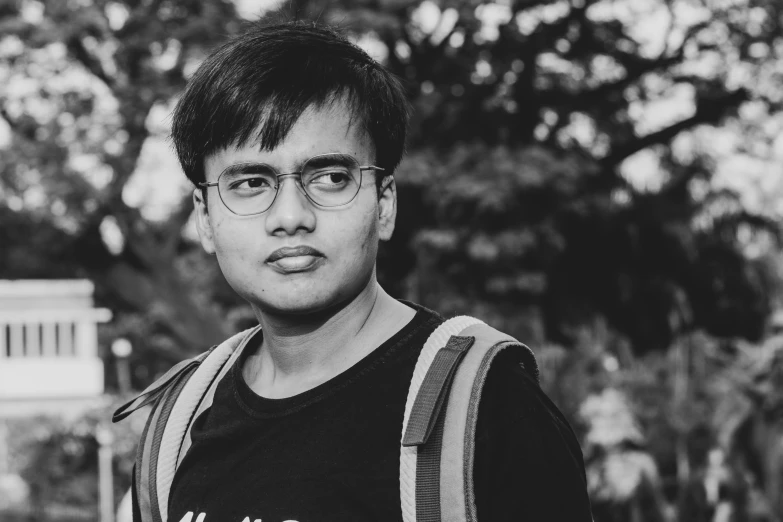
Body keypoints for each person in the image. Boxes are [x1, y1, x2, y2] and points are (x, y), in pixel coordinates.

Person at [126, 21, 593, 522]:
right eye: (250, 183)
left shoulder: (486, 408)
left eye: (329, 178)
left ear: (384, 202)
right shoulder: (179, 424)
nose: (290, 217)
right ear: (204, 217)